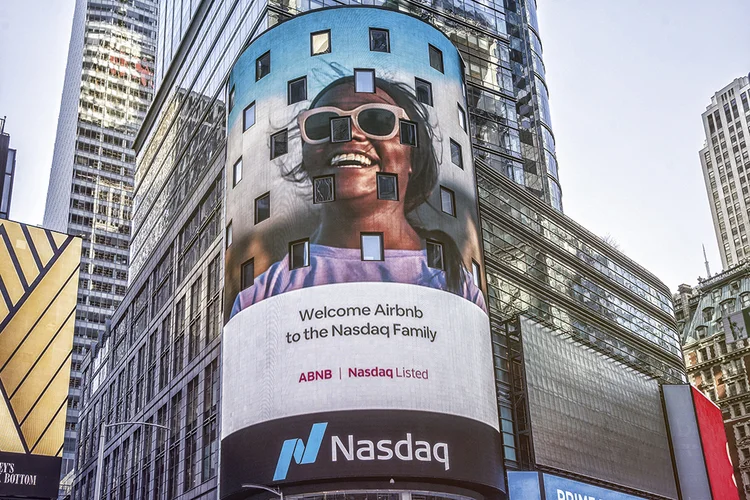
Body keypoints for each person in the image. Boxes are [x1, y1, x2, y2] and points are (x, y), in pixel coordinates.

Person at [231, 76, 486, 318]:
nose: (348, 133)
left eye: (377, 121)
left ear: (412, 156)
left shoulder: (459, 289)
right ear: (307, 156)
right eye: (323, 124)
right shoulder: (258, 298)